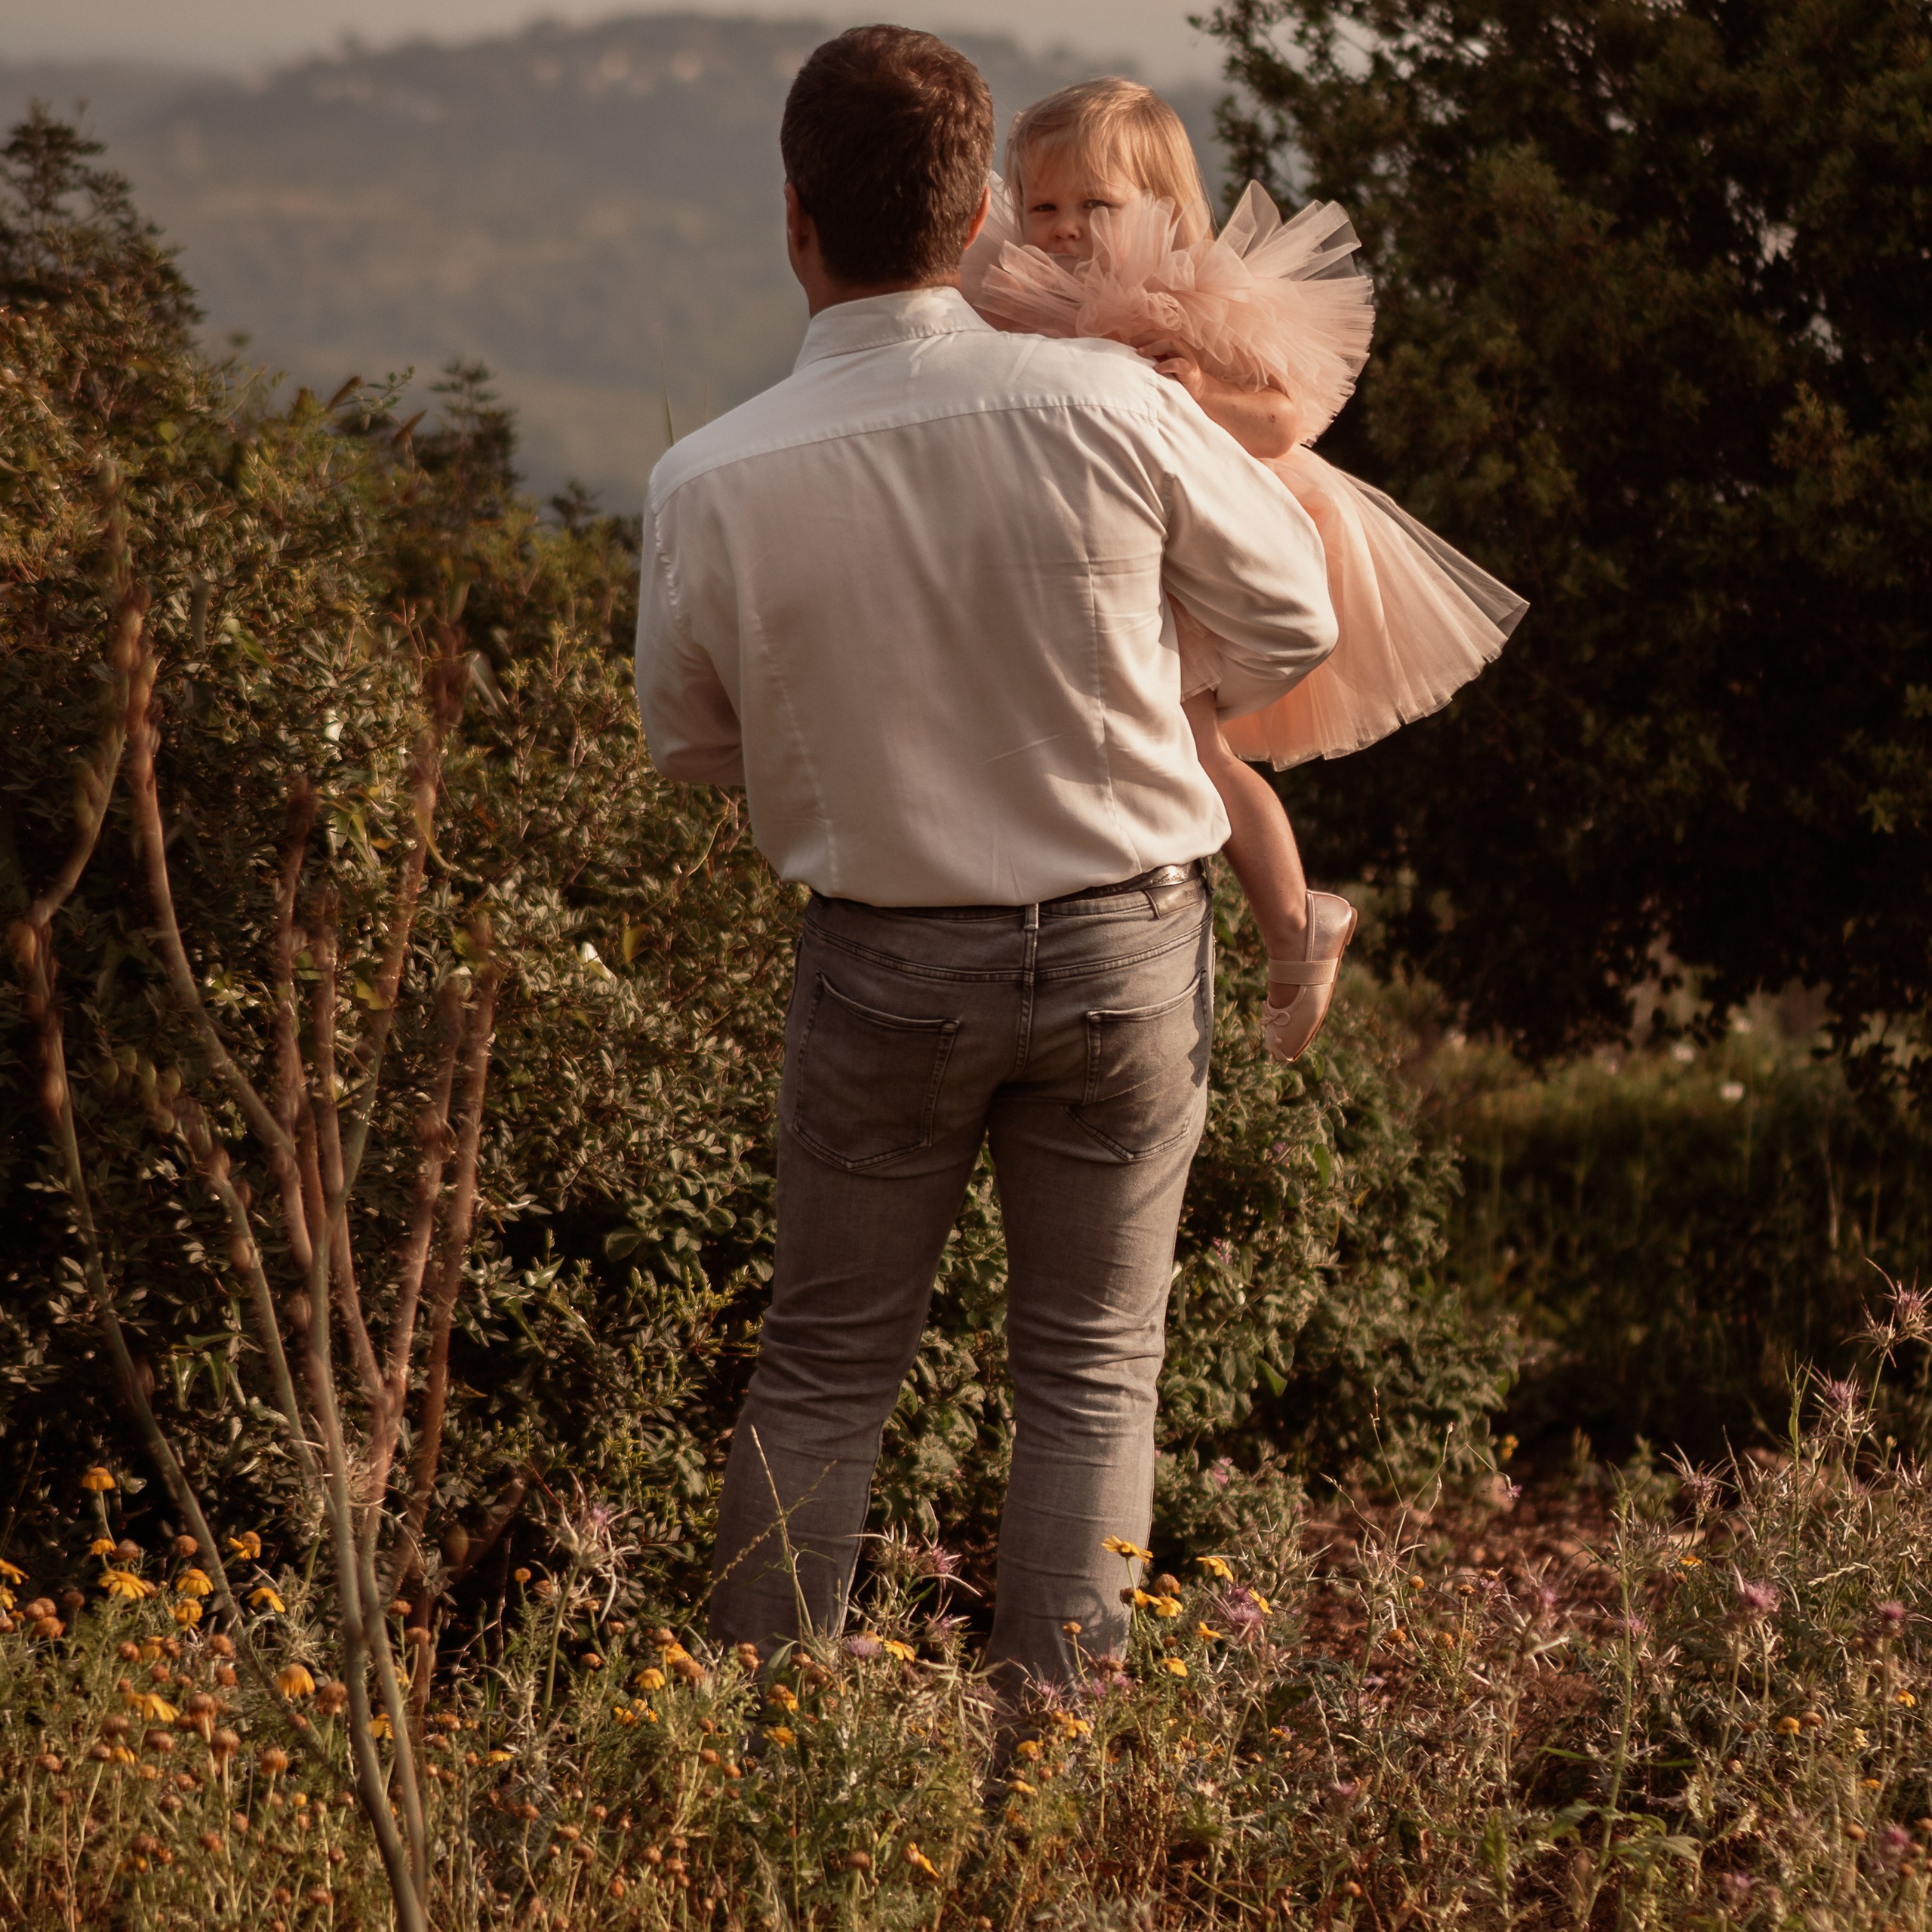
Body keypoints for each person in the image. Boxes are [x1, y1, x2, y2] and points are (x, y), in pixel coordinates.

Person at [634, 26, 1337, 1692]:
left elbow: (693, 746)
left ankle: (758, 1761)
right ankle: (1049, 1783)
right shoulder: (1109, 402)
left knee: (817, 1375)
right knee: (1093, 1377)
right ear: (973, 222)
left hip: (880, 960)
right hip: (1121, 947)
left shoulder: (704, 478)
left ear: (795, 218)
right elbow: (1294, 614)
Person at [968, 78, 1527, 1061]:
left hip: (1196, 550)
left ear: (1161, 208)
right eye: (1044, 206)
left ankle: (1293, 919)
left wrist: (1196, 389)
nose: (1062, 231)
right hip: (1105, 550)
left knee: (1196, 750)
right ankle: (1262, 920)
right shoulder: (1021, 292)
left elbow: (1283, 418)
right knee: (1162, 743)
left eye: (1094, 207)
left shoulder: (1189, 298)